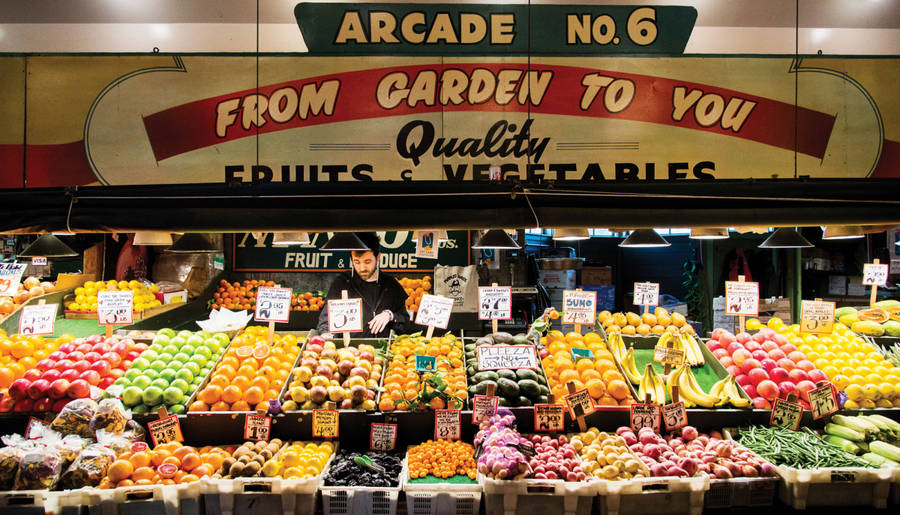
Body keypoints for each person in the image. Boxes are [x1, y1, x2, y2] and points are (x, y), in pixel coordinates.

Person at [316, 232, 409, 338]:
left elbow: (405, 322)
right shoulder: (342, 283)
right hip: (349, 352)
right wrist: (327, 335)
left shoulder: (391, 285)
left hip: (383, 352)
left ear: (377, 258)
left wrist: (390, 315)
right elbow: (326, 320)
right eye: (357, 262)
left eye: (367, 262)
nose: (362, 268)